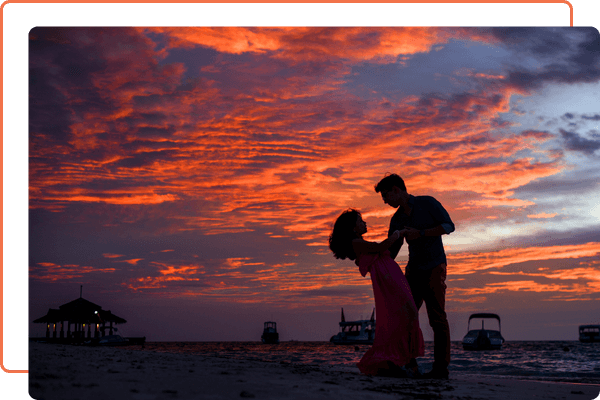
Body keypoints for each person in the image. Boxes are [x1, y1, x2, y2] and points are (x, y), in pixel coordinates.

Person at [374, 173, 455, 380]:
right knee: (404, 317)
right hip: (413, 271)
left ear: (396, 189)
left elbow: (449, 226)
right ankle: (408, 365)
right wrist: (374, 262)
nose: (384, 201)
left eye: (385, 195)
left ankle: (441, 369)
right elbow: (392, 250)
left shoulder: (427, 203)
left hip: (435, 266)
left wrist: (420, 233)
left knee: (437, 318)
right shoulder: (397, 219)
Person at [329, 209, 424, 377]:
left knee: (406, 316)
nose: (364, 223)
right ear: (353, 227)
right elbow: (381, 247)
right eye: (360, 221)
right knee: (406, 315)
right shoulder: (355, 243)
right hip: (387, 278)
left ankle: (400, 362)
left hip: (390, 275)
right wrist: (397, 234)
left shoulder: (359, 242)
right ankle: (403, 363)